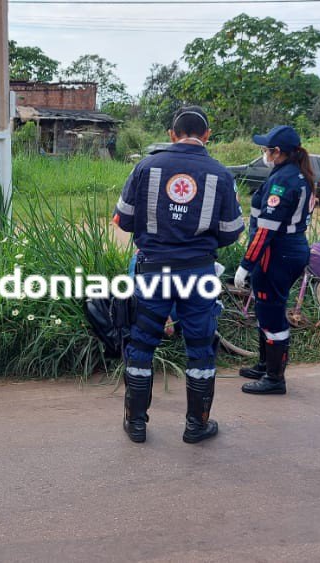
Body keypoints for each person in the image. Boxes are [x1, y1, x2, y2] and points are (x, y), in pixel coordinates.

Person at [112, 106, 245, 444]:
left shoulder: (145, 167)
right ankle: (196, 426)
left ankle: (137, 424)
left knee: (141, 344)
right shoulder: (221, 175)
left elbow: (123, 220)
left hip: (153, 271)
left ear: (172, 133)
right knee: (200, 347)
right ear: (207, 135)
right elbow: (232, 232)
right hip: (198, 273)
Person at [233, 125, 316, 396]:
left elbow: (266, 230)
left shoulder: (284, 181)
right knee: (266, 309)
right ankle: (264, 364)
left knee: (271, 314)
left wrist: (246, 264)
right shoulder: (291, 173)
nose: (264, 153)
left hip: (277, 253)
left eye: (266, 149)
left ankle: (274, 378)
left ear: (277, 152)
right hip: (286, 249)